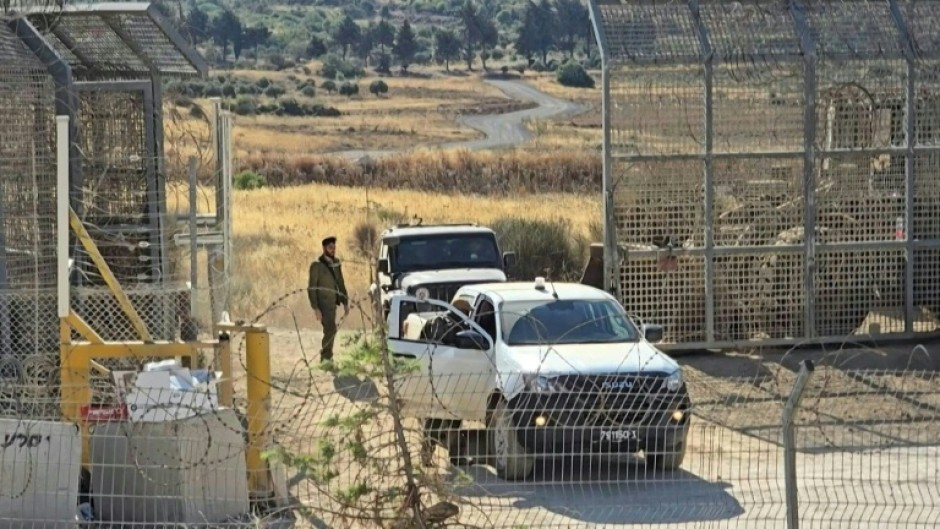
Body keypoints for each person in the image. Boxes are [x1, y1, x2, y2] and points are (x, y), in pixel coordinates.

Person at [308, 236, 349, 363]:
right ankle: (326, 357)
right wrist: (316, 308)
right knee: (331, 329)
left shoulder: (336, 263)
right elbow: (312, 287)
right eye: (330, 248)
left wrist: (345, 302)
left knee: (330, 330)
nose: (333, 250)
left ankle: (327, 356)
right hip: (323, 305)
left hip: (332, 304)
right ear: (324, 248)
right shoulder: (317, 265)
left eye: (334, 248)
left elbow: (340, 283)